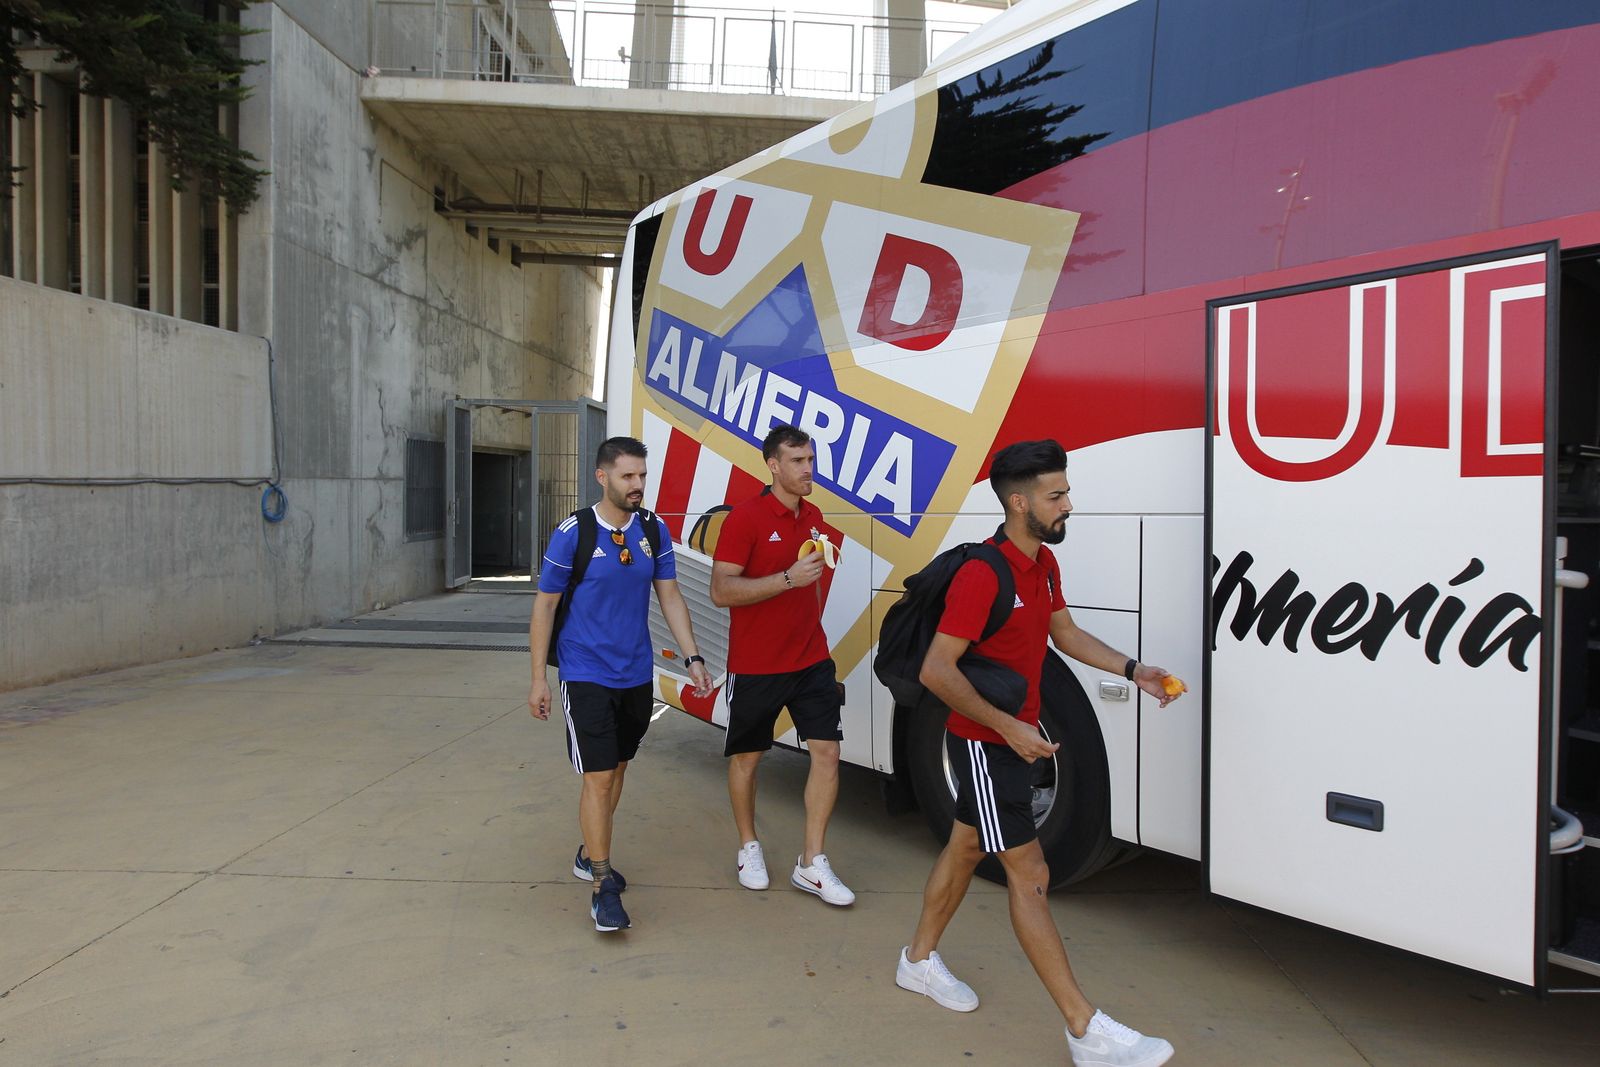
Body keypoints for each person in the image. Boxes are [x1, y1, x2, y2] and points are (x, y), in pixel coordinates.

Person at [894, 439, 1181, 1067]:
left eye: (1067, 492)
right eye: (1057, 495)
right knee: (1032, 877)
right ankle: (1086, 1031)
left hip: (1010, 742)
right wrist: (1009, 728)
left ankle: (917, 960)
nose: (1068, 505)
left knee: (966, 845)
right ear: (1018, 501)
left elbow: (1065, 632)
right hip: (986, 746)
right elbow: (939, 672)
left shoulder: (1042, 566)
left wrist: (1134, 669)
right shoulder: (982, 574)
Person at [528, 436, 712, 934]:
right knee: (599, 776)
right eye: (628, 476)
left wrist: (692, 656)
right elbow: (544, 605)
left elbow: (670, 595)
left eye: (642, 476)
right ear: (602, 476)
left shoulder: (654, 529)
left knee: (619, 765)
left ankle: (590, 851)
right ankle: (602, 886)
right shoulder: (574, 532)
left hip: (635, 672)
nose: (638, 486)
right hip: (584, 671)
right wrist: (538, 680)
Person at [709, 424, 853, 906]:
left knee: (827, 754)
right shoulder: (745, 518)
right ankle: (749, 846)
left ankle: (811, 863)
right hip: (757, 664)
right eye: (797, 461)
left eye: (810, 459)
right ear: (773, 465)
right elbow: (722, 591)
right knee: (748, 758)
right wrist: (787, 579)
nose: (808, 469)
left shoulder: (812, 515)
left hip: (811, 657)